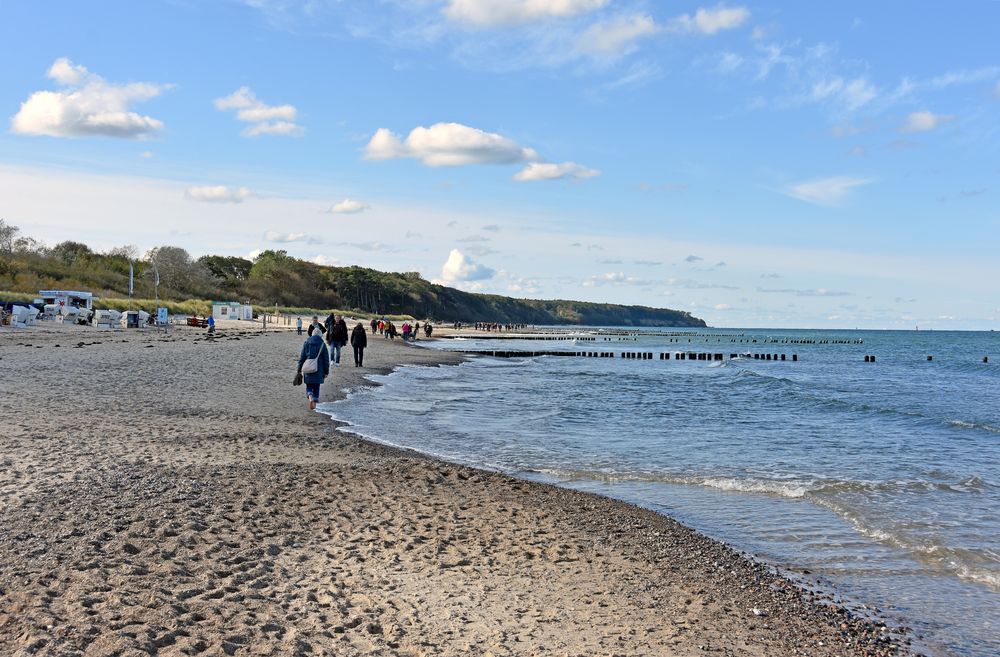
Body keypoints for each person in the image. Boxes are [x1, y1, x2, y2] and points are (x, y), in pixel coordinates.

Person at [297, 326, 330, 410]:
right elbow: (326, 359)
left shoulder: (306, 343)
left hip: (308, 368)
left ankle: (310, 396)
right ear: (320, 335)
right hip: (319, 369)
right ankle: (314, 402)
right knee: (316, 386)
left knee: (309, 385)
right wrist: (326, 372)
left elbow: (302, 357)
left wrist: (299, 369)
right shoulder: (322, 344)